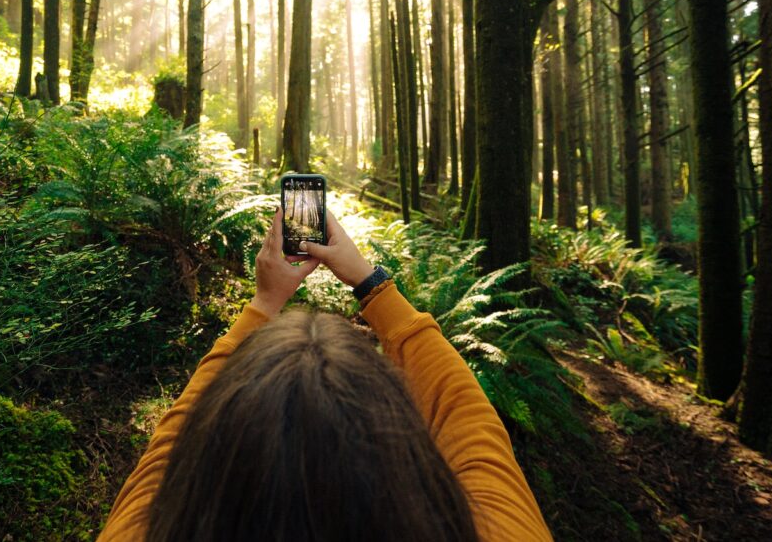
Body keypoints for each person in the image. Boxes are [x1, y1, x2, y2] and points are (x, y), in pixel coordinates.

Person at [99, 210, 552, 541]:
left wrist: (263, 304)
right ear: (407, 460)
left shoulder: (148, 526)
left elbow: (170, 442)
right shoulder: (496, 529)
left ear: (206, 460)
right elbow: (466, 417)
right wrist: (368, 281)